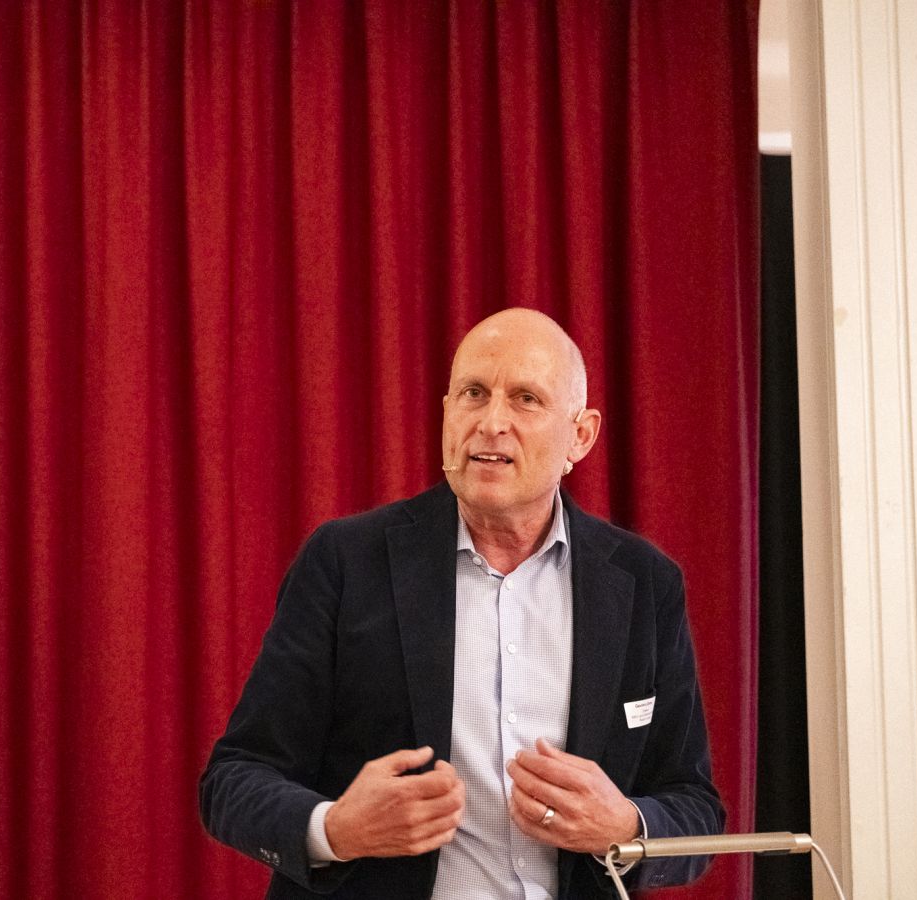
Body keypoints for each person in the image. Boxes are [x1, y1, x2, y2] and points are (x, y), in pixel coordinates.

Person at [199, 308, 725, 899]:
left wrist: (626, 827)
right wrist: (336, 829)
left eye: (525, 399)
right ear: (447, 412)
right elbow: (234, 780)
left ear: (580, 435)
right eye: (474, 394)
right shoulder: (346, 562)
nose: (491, 422)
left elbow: (695, 809)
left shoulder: (644, 583)